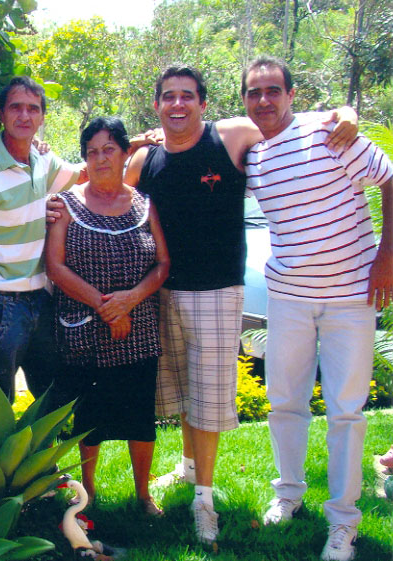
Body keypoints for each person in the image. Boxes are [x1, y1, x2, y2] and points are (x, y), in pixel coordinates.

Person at [122, 65, 358, 544]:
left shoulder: (229, 135)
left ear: (204, 104)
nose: (178, 105)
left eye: (187, 96)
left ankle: (203, 503)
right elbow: (107, 188)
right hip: (163, 292)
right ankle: (189, 470)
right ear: (157, 105)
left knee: (207, 399)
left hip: (217, 290)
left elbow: (290, 118)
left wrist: (344, 111)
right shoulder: (143, 162)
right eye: (168, 97)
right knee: (186, 392)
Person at [241, 56, 393, 561]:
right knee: (285, 401)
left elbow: (389, 179)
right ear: (244, 101)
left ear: (292, 94)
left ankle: (344, 522)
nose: (264, 100)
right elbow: (200, 130)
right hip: (288, 297)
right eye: (254, 92)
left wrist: (386, 256)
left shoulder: (330, 133)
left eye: (273, 90)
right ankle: (289, 495)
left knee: (346, 410)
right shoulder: (254, 155)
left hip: (352, 296)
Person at [45, 117, 170, 515]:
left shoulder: (146, 204)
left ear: (124, 153)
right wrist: (106, 307)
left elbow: (163, 264)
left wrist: (129, 300)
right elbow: (55, 266)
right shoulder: (65, 205)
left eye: (109, 150)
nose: (101, 159)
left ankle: (143, 495)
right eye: (92, 151)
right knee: (90, 418)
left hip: (138, 326)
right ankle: (89, 492)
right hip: (85, 329)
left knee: (139, 415)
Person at [0, 76, 83, 407]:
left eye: (33, 109)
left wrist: (135, 148)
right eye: (16, 108)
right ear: (0, 114)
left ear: (42, 117)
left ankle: (40, 461)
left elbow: (86, 174)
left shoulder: (43, 163)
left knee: (52, 395)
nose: (24, 116)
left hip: (40, 297)